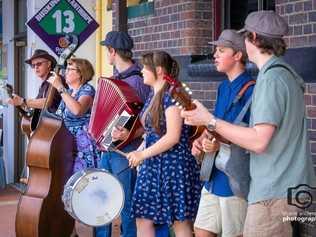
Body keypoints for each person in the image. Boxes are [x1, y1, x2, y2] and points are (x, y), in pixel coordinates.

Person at [181, 11, 316, 237]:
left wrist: (210, 121)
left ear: (252, 37)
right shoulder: (285, 74)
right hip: (293, 188)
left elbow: (258, 141)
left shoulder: (271, 79)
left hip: (274, 192)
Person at [95, 31, 169, 237]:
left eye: (107, 50)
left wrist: (128, 134)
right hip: (109, 147)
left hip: (128, 150)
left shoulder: (138, 80)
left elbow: (148, 120)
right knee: (102, 198)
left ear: (112, 51)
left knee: (127, 204)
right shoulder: (114, 79)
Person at [126, 51, 201, 237]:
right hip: (153, 165)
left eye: (145, 67)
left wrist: (142, 155)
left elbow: (173, 136)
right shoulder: (154, 94)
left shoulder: (172, 95)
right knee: (143, 218)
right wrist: (140, 149)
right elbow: (153, 134)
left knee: (179, 222)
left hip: (174, 166)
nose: (142, 71)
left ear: (158, 70)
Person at [192, 29, 254, 237]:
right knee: (201, 231)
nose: (215, 55)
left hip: (234, 177)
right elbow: (214, 125)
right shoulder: (222, 87)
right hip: (213, 172)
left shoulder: (253, 89)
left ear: (237, 55)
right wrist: (201, 140)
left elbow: (253, 136)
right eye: (215, 51)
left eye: (221, 50)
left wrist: (220, 144)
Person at [47, 57, 99, 172]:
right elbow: (58, 116)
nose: (66, 72)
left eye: (70, 69)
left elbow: (77, 110)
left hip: (82, 143)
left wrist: (60, 87)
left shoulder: (87, 90)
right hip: (68, 142)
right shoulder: (69, 92)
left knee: (81, 180)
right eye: (67, 68)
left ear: (81, 73)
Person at [8, 49, 62, 113]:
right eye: (33, 65)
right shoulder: (44, 84)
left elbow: (47, 102)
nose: (36, 67)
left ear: (48, 64)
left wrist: (23, 101)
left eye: (39, 64)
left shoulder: (56, 79)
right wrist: (21, 104)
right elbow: (36, 106)